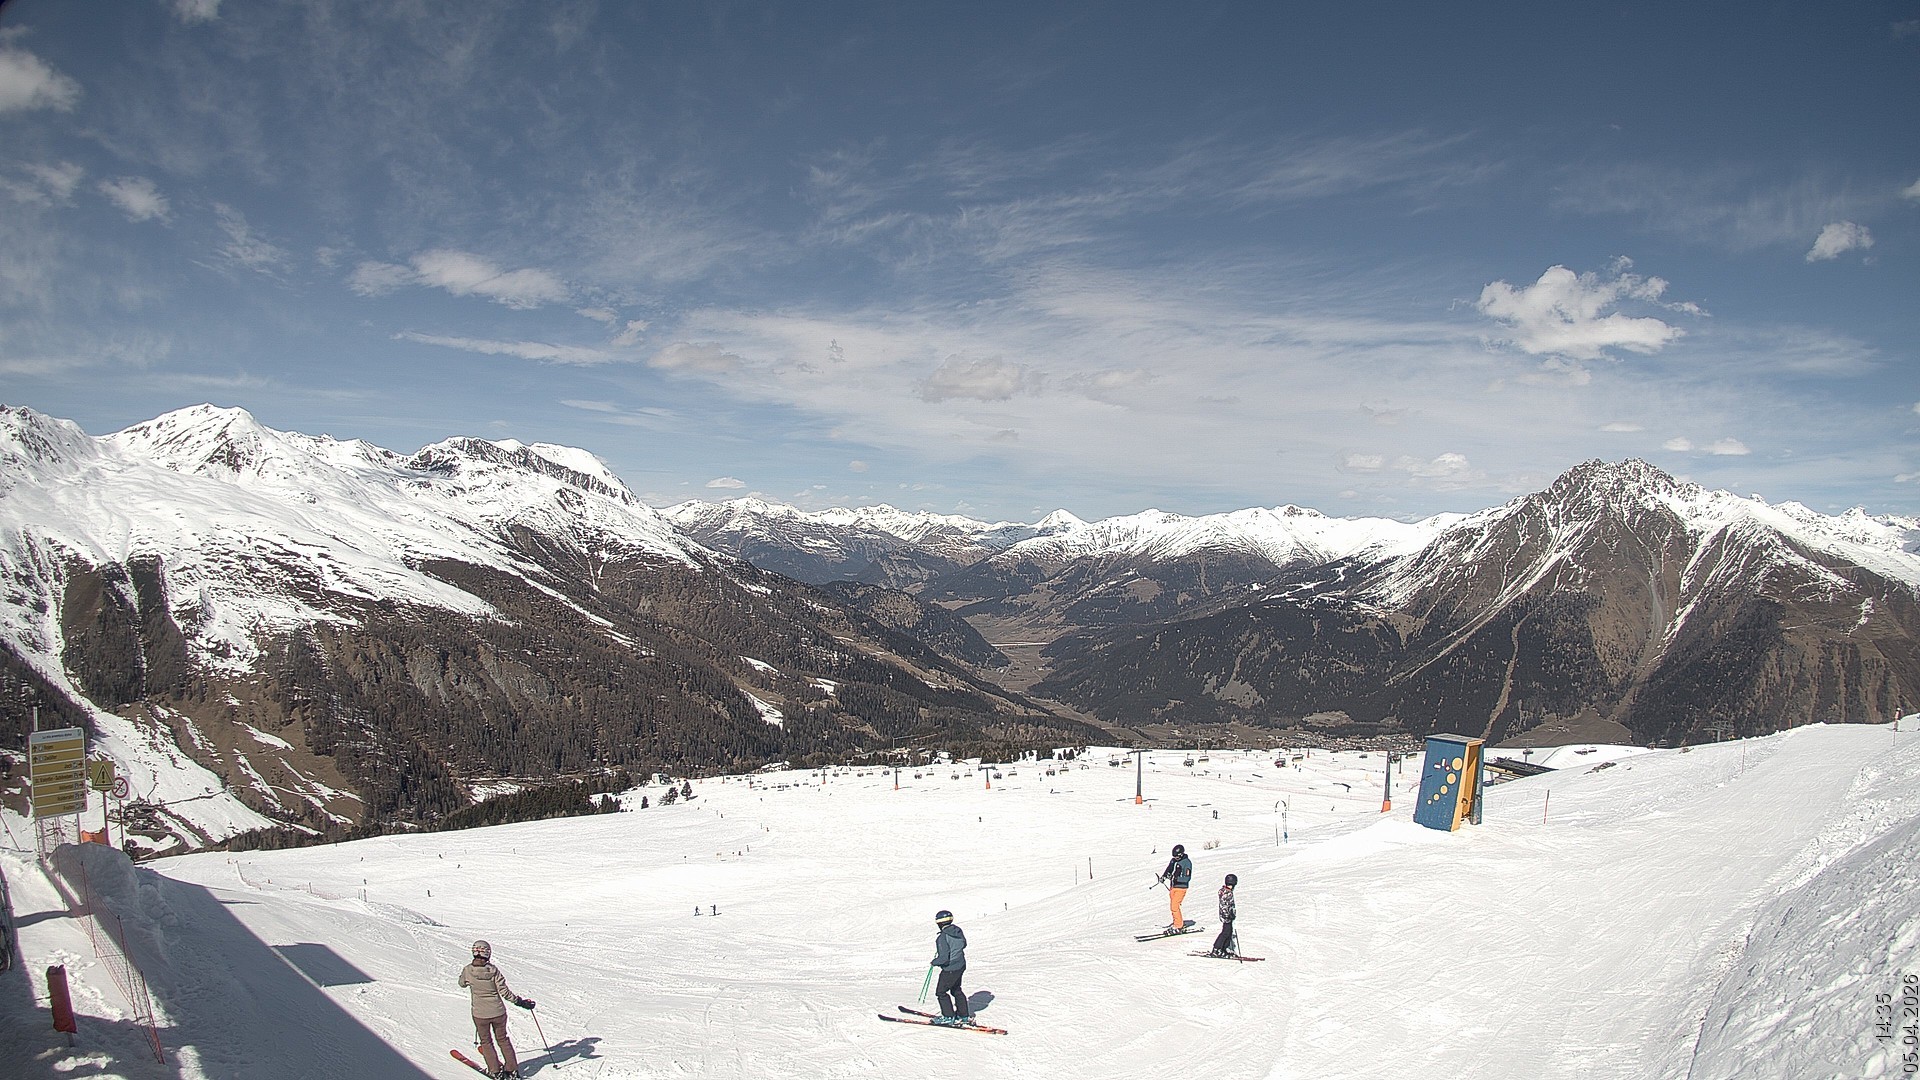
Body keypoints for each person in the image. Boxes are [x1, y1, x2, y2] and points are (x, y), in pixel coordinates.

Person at [459, 939, 536, 1079]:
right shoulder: (493, 971)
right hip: (498, 1012)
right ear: (488, 954)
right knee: (503, 1040)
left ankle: (494, 1070)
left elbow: (461, 983)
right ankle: (511, 1070)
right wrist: (520, 1002)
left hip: (480, 1014)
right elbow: (505, 993)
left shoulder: (467, 970)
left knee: (486, 1041)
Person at [929, 910, 971, 1025]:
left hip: (950, 969)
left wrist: (934, 962)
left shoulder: (942, 937)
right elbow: (964, 944)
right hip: (961, 965)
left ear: (939, 923)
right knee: (956, 989)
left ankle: (948, 1016)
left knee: (941, 992)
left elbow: (944, 958)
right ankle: (964, 1015)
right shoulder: (957, 931)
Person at [1157, 844, 1193, 931]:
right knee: (1173, 906)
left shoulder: (1187, 862)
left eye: (1177, 856)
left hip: (1181, 887)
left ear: (1181, 854)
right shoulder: (1173, 861)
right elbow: (1169, 869)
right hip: (1173, 887)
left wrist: (1175, 878)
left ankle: (1178, 925)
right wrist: (1164, 877)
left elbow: (1187, 878)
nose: (1175, 858)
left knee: (1174, 906)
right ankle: (1176, 922)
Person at [1210, 874, 1239, 957]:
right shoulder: (1227, 893)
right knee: (1225, 933)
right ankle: (1217, 949)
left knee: (1229, 932)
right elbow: (1225, 906)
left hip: (1227, 915)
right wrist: (1228, 915)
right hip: (1226, 916)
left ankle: (1224, 948)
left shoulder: (1226, 891)